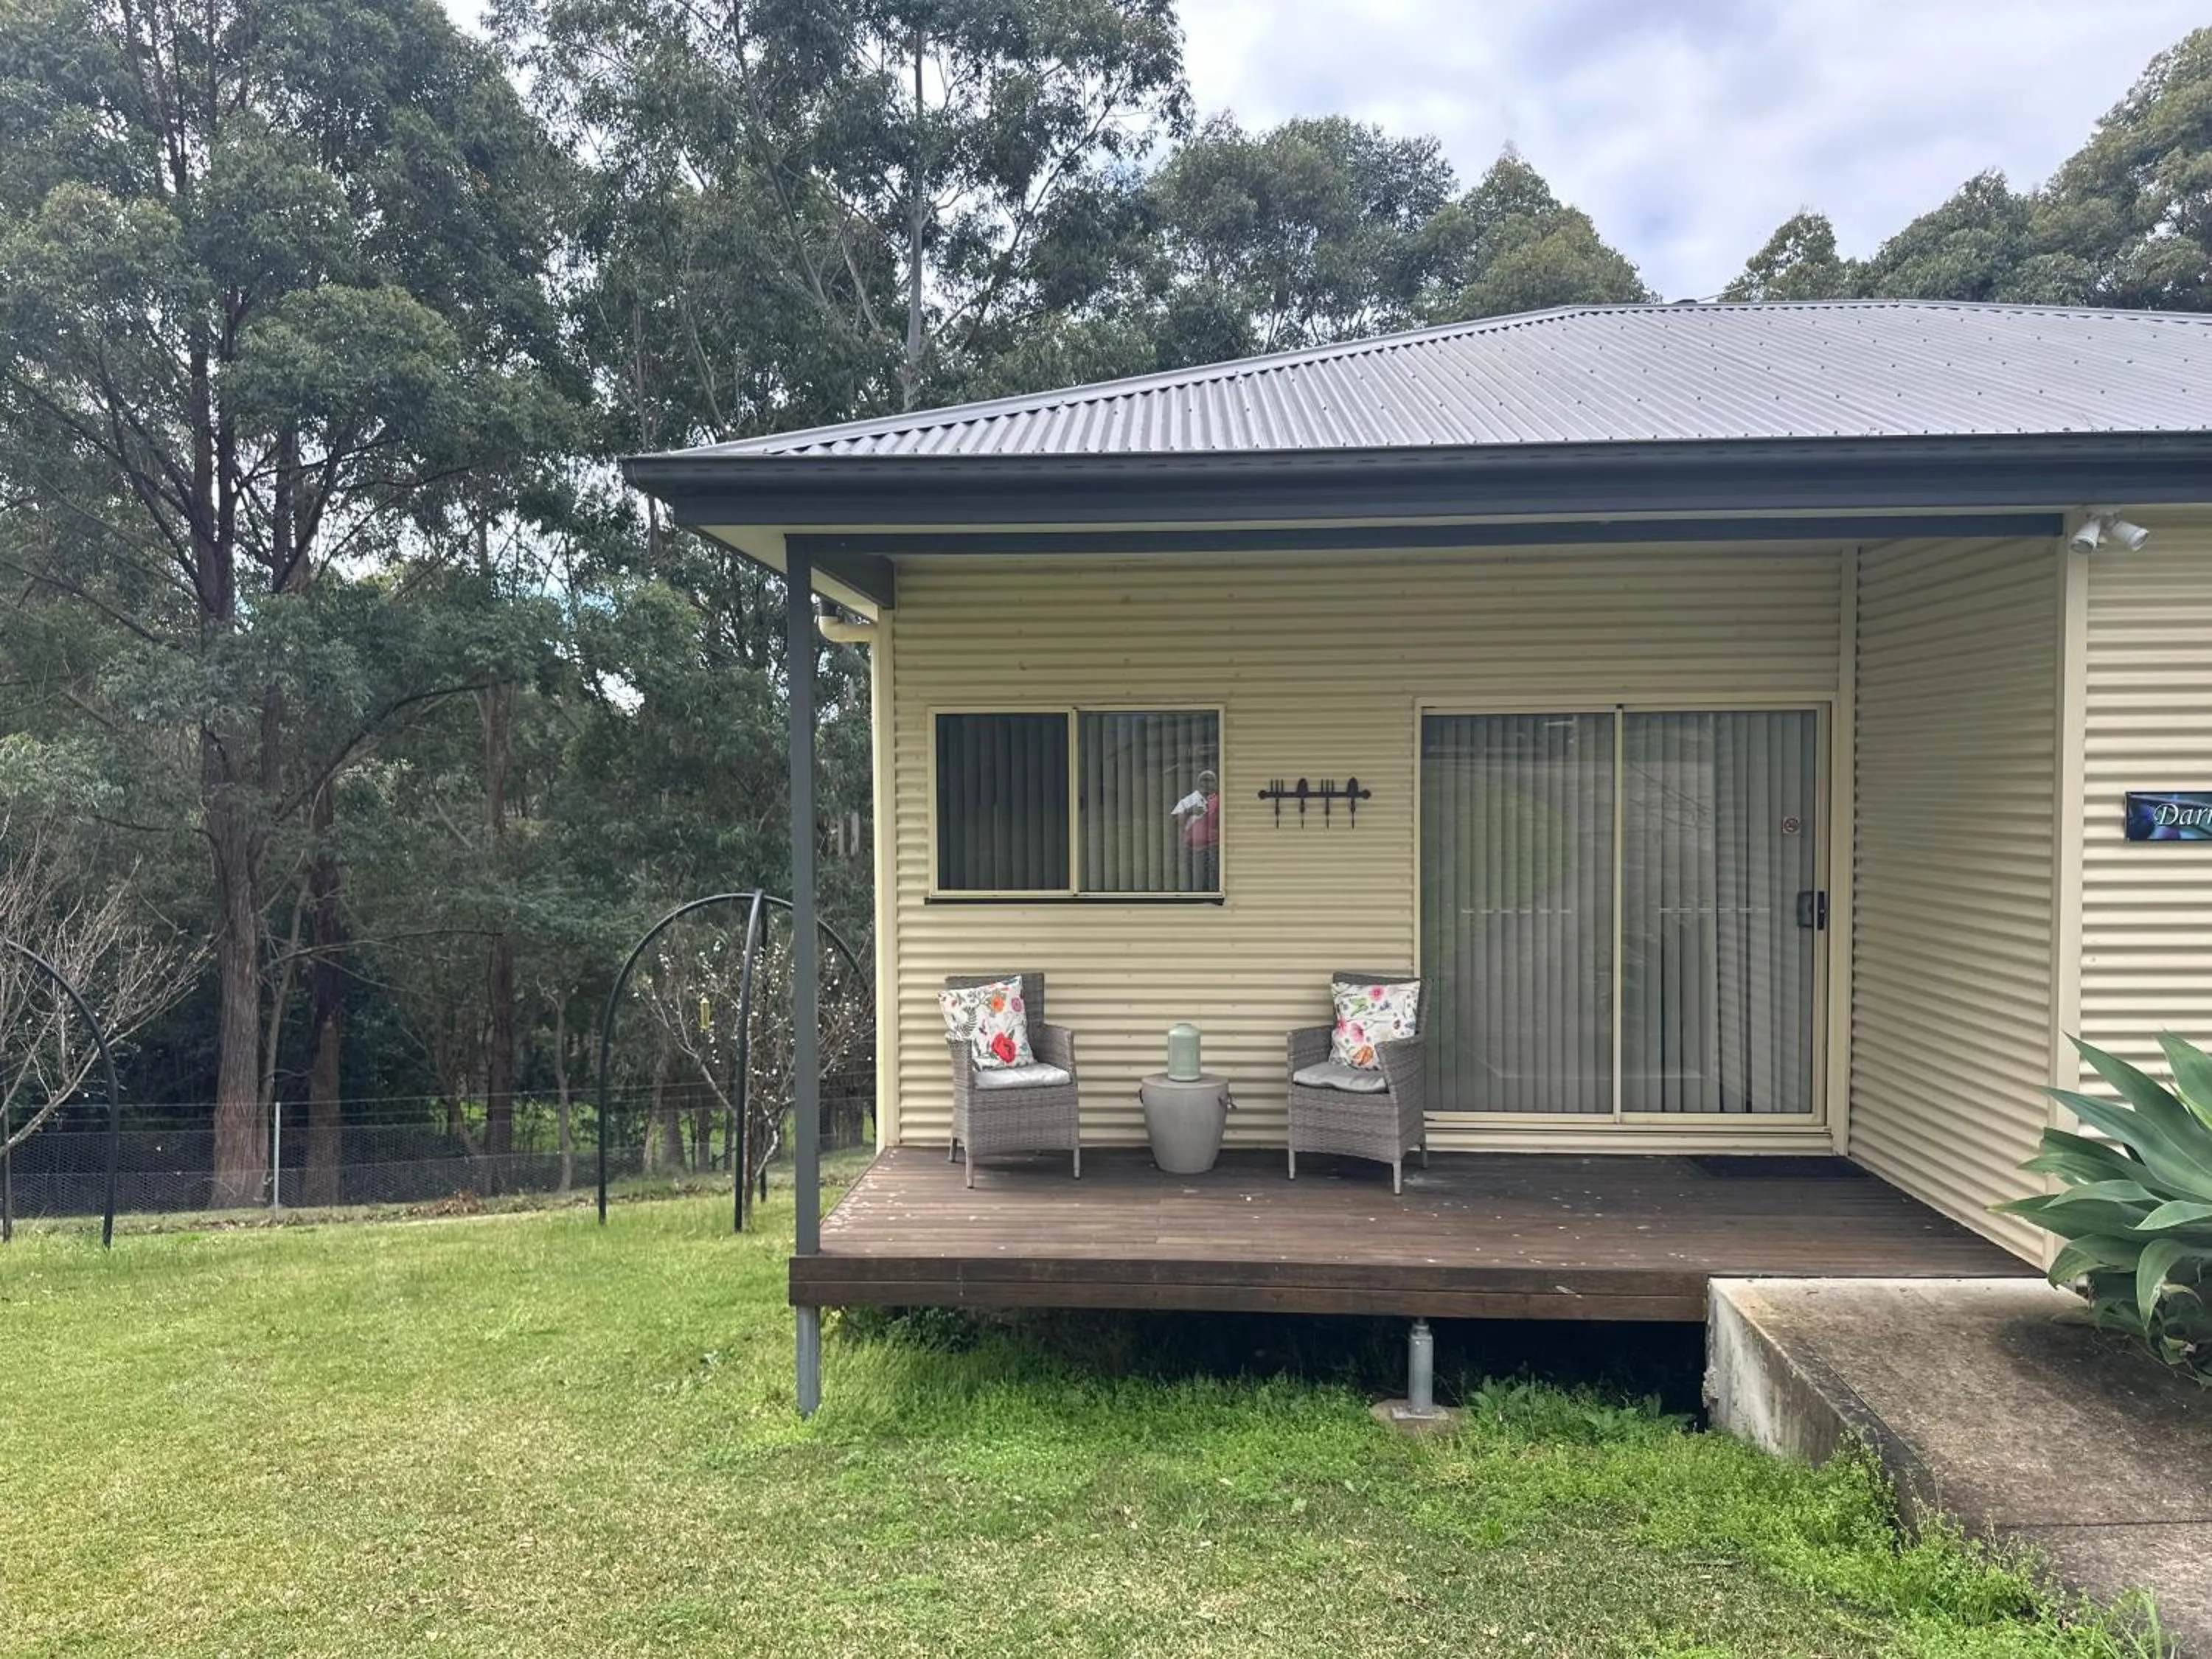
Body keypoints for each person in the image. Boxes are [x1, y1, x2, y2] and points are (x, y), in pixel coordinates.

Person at [1170, 768, 1220, 892]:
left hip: (1214, 847)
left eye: (1210, 781)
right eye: (1204, 780)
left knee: (1214, 879)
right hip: (1193, 848)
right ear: (1198, 783)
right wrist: (1190, 811)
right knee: (1196, 880)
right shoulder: (1189, 800)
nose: (1207, 784)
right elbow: (1173, 818)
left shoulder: (1219, 800)